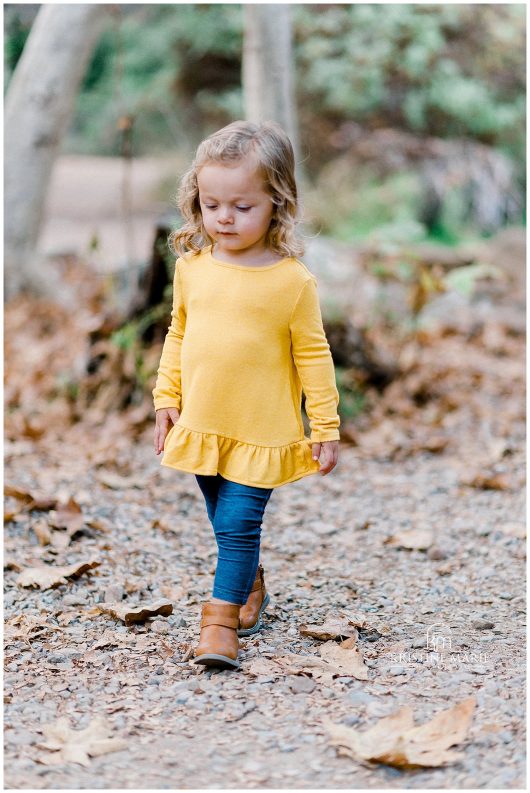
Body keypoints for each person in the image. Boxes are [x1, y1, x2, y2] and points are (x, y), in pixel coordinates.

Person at [152, 120, 340, 671]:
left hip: (260, 427)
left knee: (237, 525)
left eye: (241, 206)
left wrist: (324, 426)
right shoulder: (193, 267)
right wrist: (167, 397)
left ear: (276, 205)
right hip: (203, 419)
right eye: (212, 205)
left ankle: (218, 624)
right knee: (221, 517)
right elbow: (178, 332)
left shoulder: (291, 282)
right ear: (197, 201)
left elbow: (313, 356)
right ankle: (248, 575)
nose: (224, 218)